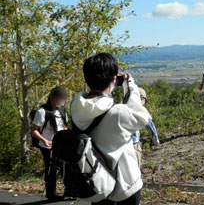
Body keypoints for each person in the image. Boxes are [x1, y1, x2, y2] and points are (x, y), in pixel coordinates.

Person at [71, 53, 151, 205]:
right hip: (124, 186)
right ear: (114, 79)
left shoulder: (76, 104)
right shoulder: (118, 113)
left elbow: (99, 102)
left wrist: (110, 86)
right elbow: (143, 116)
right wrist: (130, 86)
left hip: (96, 183)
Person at [32, 87, 68, 200]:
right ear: (53, 98)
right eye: (60, 98)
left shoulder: (62, 110)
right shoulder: (42, 112)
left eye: (63, 98)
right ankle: (51, 194)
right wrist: (44, 140)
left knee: (66, 167)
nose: (62, 101)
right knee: (51, 169)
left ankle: (70, 190)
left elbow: (64, 126)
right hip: (47, 145)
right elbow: (34, 130)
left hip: (61, 144)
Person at [132, 88, 160, 167]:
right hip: (133, 145)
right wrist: (156, 142)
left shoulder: (121, 105)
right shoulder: (140, 109)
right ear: (141, 97)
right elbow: (150, 127)